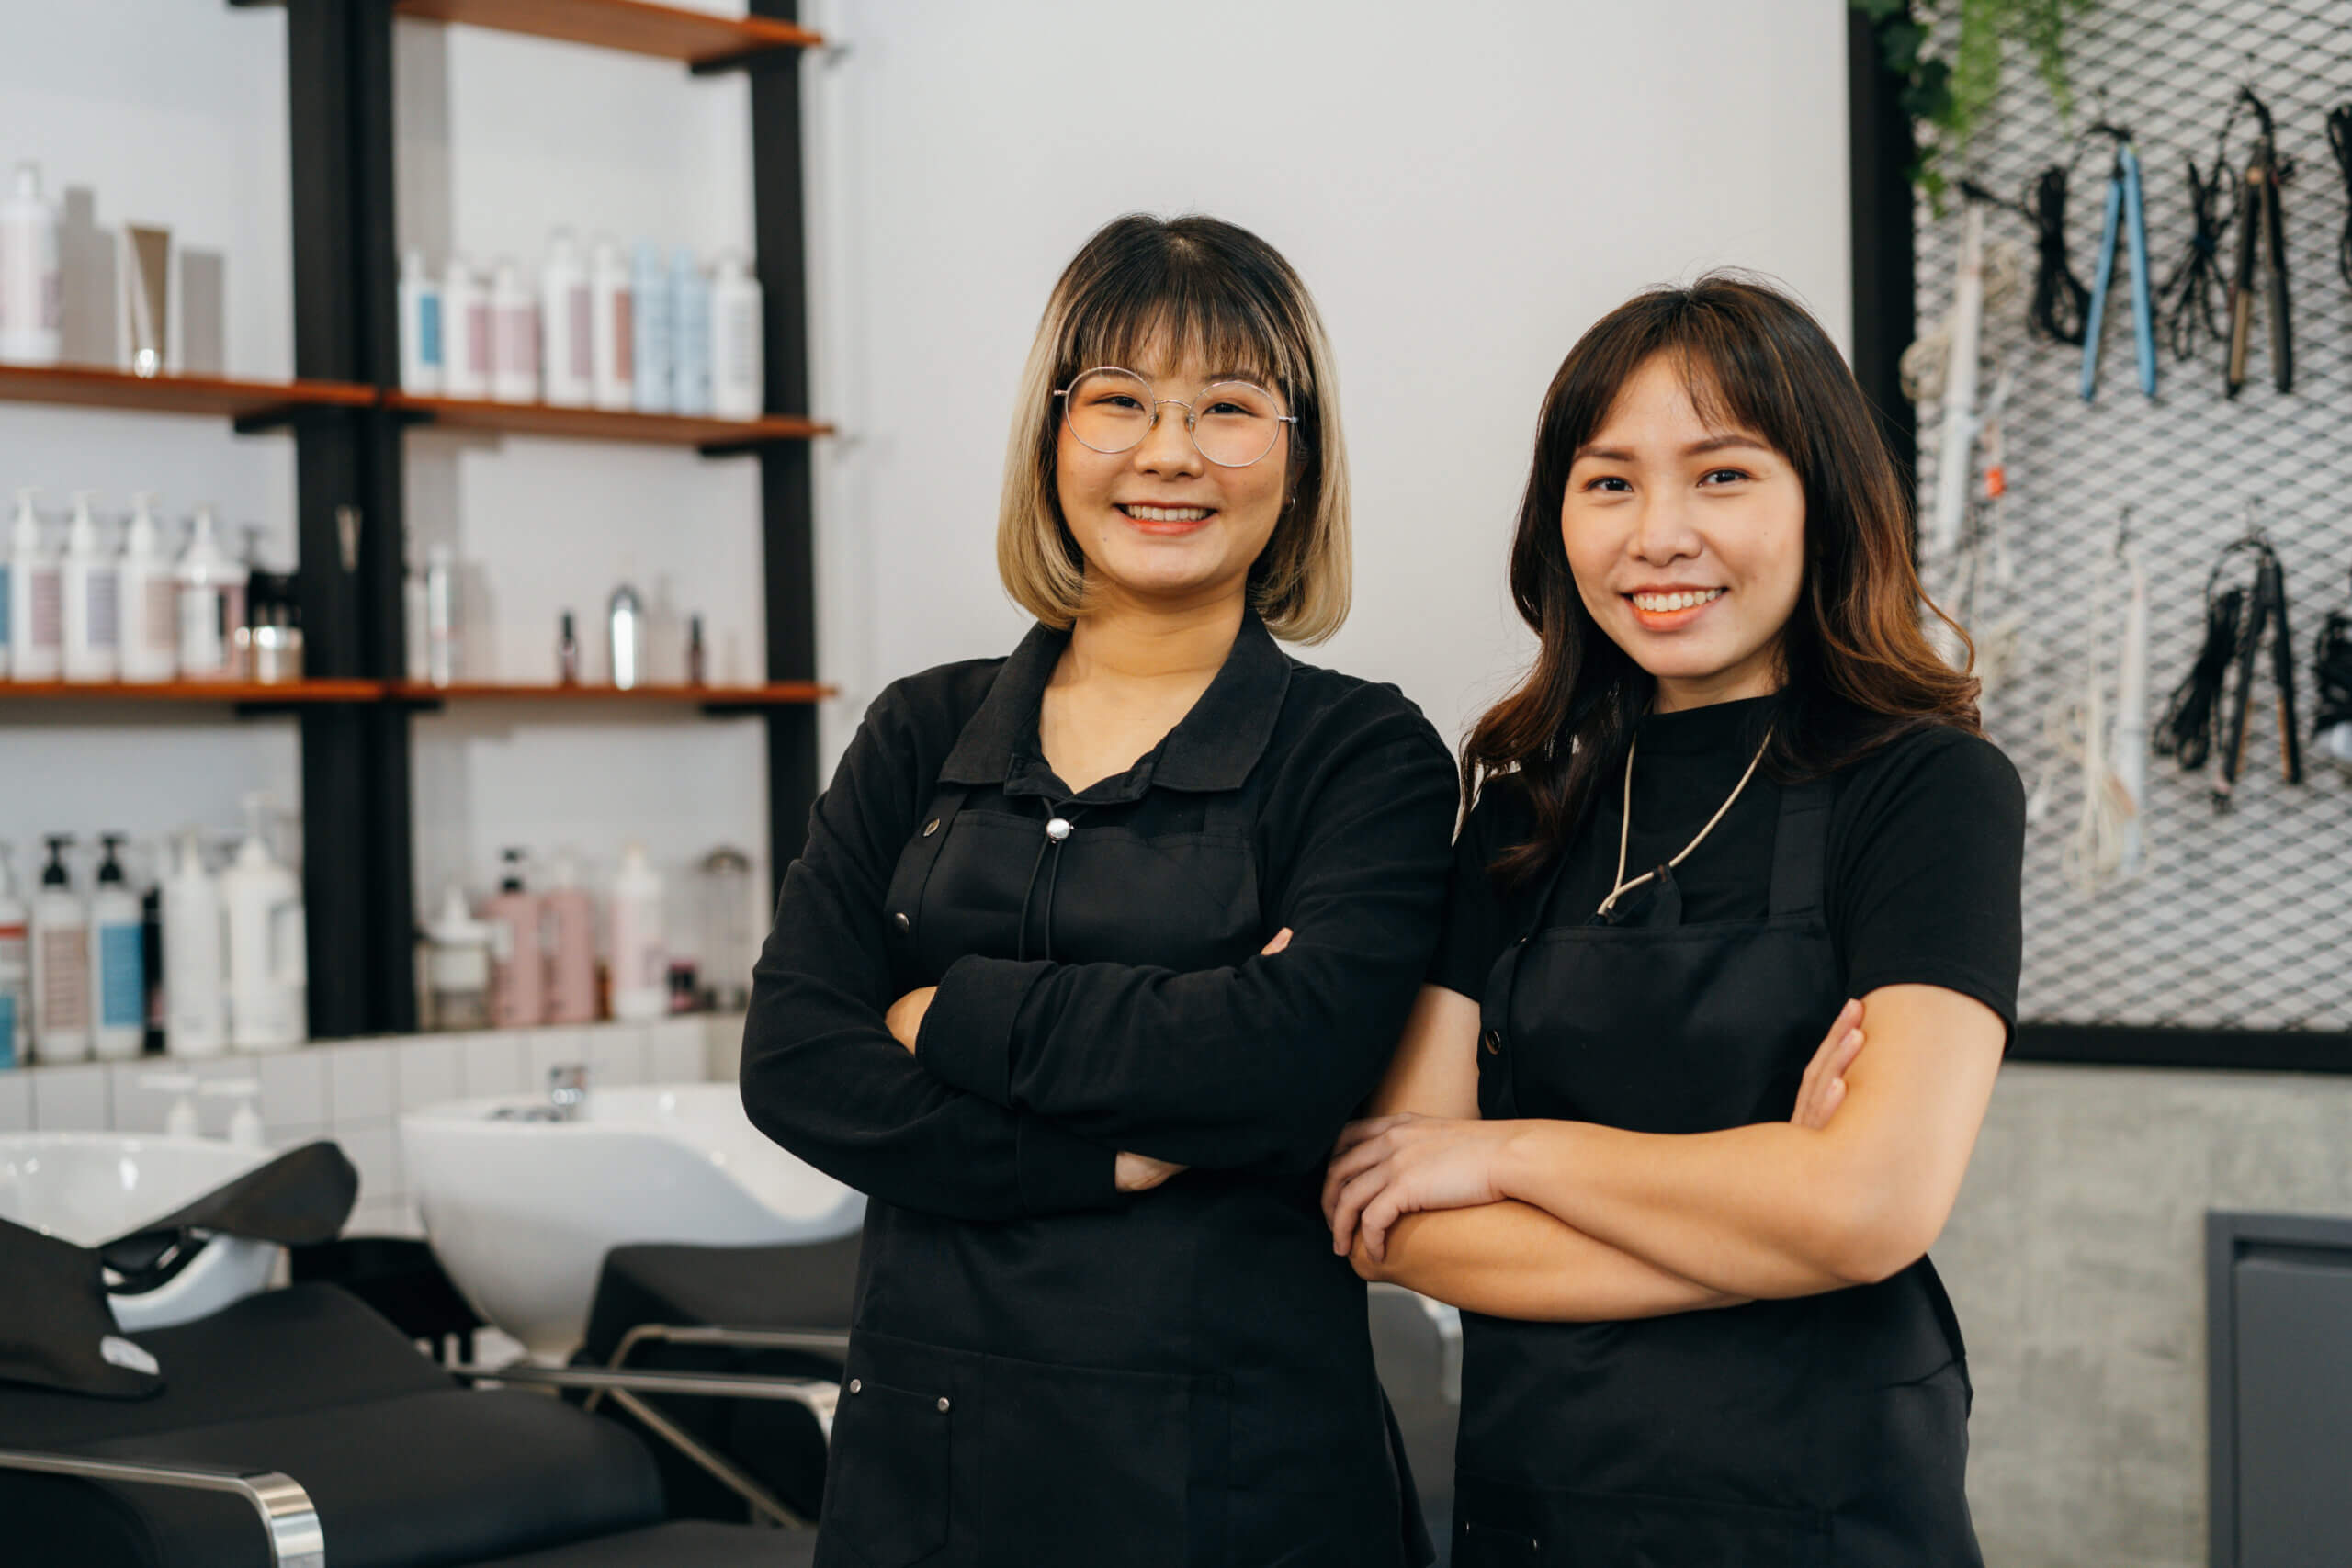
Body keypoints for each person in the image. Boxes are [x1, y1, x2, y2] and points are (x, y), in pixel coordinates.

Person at [741, 213, 1457, 1568]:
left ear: (1298, 460)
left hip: (1240, 1486)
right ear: (1052, 440)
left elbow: (1293, 1063)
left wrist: (943, 1011)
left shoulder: (1363, 755)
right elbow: (791, 1062)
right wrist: (1107, 1147)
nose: (1169, 452)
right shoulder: (918, 733)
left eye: (1228, 407)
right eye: (1118, 401)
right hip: (923, 1477)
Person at [1323, 274, 2023, 1565]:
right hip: (1544, 1511)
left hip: (1822, 1516)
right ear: (1558, 519)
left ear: (1824, 500)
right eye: (1609, 482)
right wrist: (1780, 1212)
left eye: (1721, 475)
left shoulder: (1930, 791)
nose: (1659, 534)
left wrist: (1511, 1154)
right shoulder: (1520, 814)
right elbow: (1396, 1219)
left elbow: (1876, 1205)